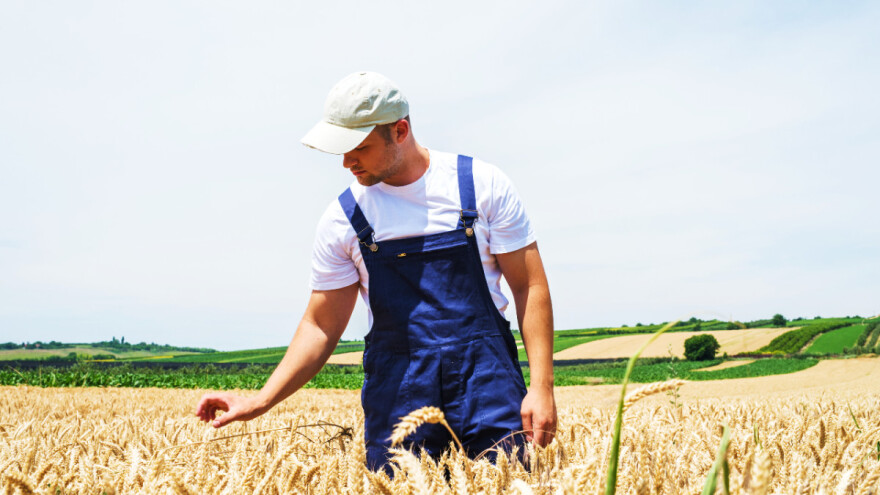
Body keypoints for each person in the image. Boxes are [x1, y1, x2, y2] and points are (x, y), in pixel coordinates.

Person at [195, 71, 556, 471]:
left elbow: (529, 286)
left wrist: (542, 386)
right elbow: (320, 326)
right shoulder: (344, 219)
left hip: (486, 380)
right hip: (399, 391)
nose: (346, 162)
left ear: (400, 131)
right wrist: (260, 400)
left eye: (359, 148)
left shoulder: (482, 185)